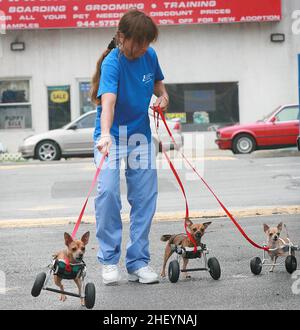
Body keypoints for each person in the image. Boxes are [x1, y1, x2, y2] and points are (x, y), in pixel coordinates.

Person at [90, 9, 169, 285]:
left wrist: (163, 97)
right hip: (111, 138)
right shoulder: (113, 62)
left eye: (148, 42)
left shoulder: (150, 55)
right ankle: (109, 261)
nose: (143, 47)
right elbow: (108, 101)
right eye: (138, 42)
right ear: (122, 37)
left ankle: (138, 262)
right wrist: (107, 135)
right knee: (108, 193)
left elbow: (159, 85)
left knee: (145, 199)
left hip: (141, 138)